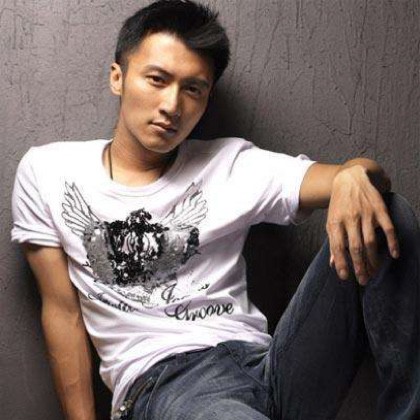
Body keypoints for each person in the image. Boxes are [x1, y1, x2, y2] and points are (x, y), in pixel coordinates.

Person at [11, 1, 419, 419]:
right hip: (170, 383)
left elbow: (354, 177)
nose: (172, 105)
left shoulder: (230, 164)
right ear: (118, 77)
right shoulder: (49, 172)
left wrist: (353, 175)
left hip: (268, 367)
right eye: (157, 80)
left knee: (388, 214)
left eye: (193, 89)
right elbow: (62, 312)